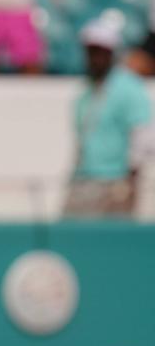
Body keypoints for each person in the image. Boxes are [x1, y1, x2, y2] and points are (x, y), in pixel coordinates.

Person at [64, 19, 154, 216]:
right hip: (84, 178)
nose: (95, 58)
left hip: (114, 181)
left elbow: (141, 136)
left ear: (112, 53)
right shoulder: (86, 92)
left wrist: (130, 181)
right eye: (91, 52)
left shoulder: (128, 88)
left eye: (100, 52)